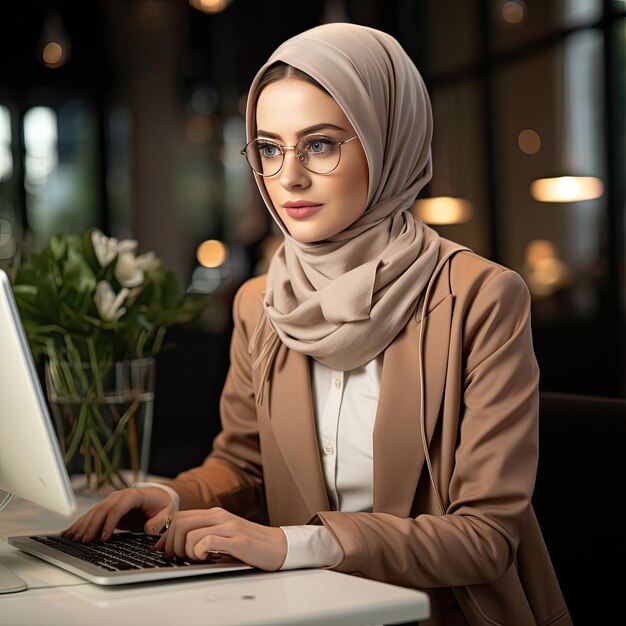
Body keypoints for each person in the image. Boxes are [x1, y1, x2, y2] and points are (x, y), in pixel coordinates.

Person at [64, 23, 572, 626]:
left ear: (389, 143)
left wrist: (298, 545)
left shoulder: (482, 297)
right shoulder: (260, 301)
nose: (289, 178)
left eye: (321, 144)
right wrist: (173, 496)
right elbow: (245, 465)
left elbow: (485, 537)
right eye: (269, 148)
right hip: (307, 609)